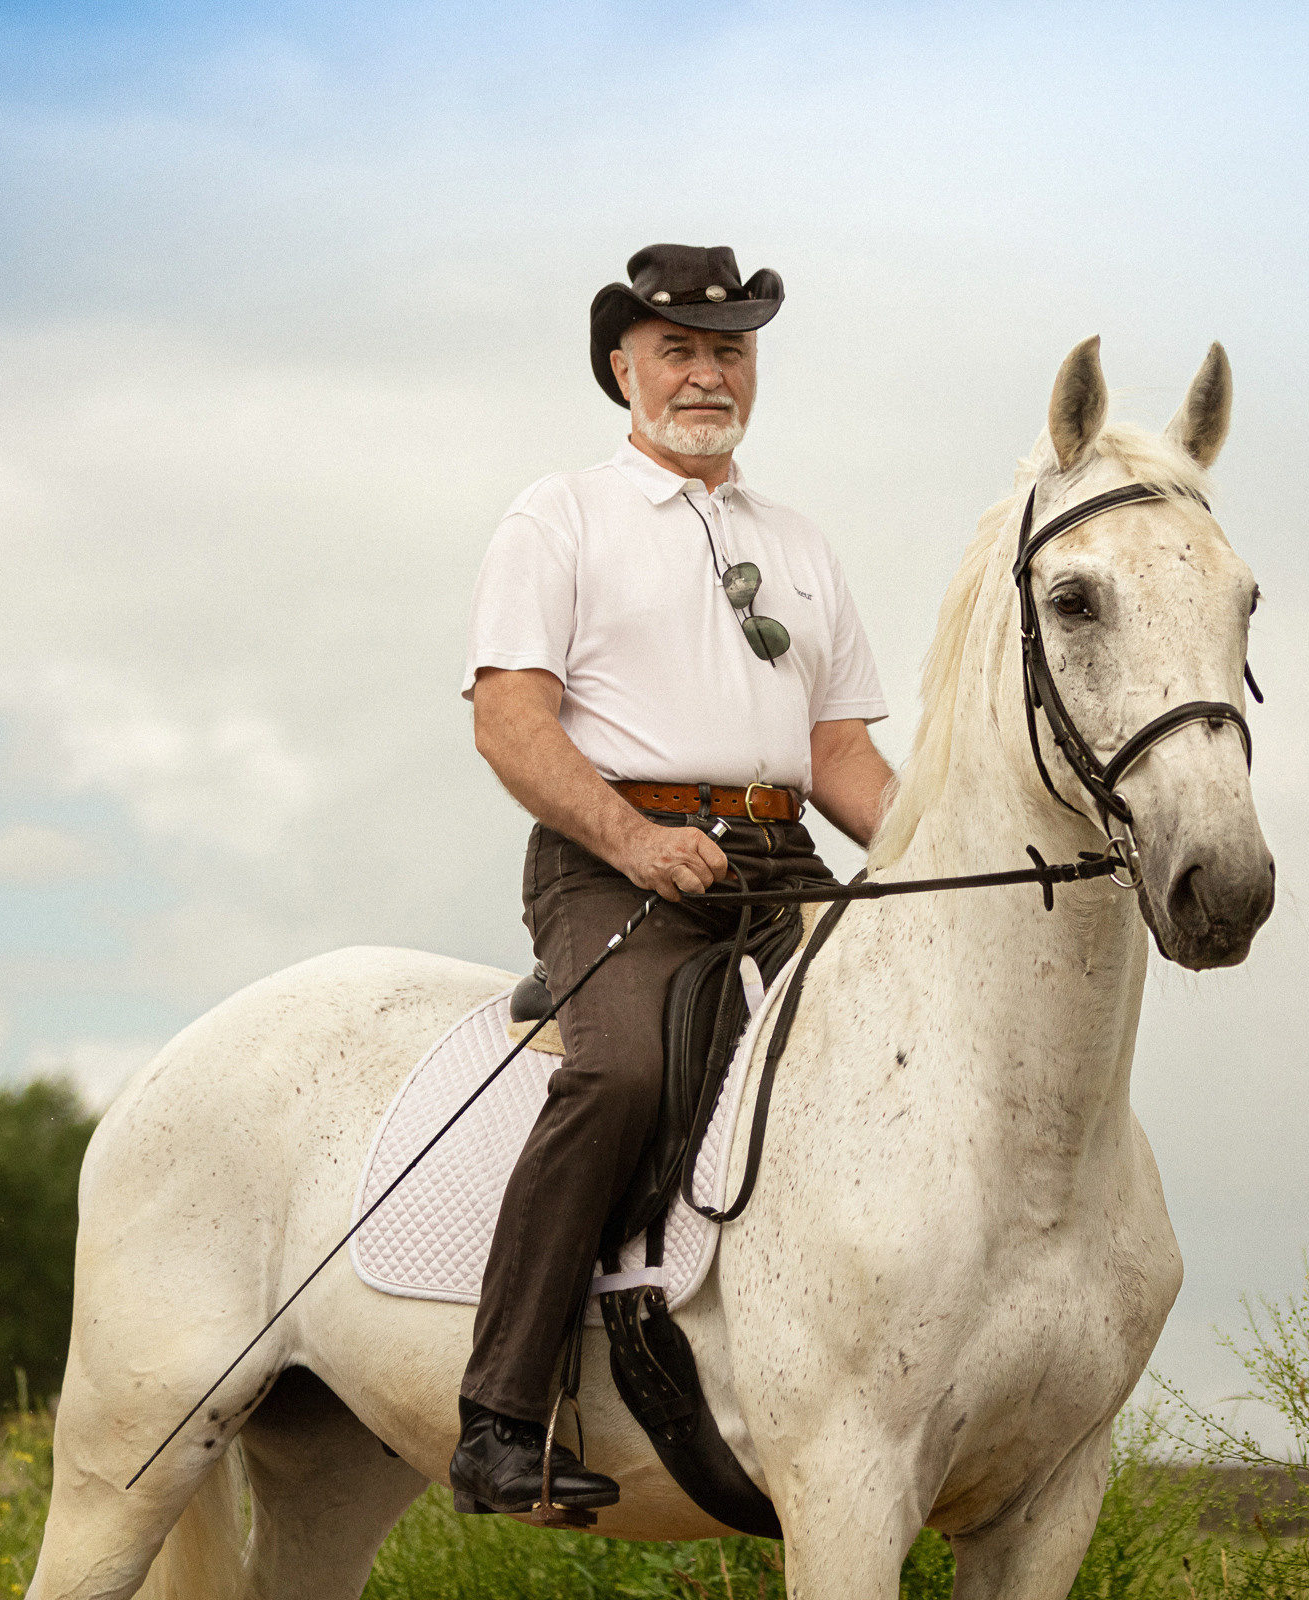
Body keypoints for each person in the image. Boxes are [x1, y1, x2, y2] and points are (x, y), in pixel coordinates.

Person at [449, 244, 893, 1513]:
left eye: (731, 349)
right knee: (626, 1066)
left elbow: (842, 754)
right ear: (622, 366)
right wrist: (634, 841)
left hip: (777, 851)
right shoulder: (560, 515)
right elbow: (511, 721)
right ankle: (501, 1419)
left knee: (908, 1045)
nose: (707, 373)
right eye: (679, 349)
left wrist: (938, 856)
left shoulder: (801, 543)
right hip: (610, 853)